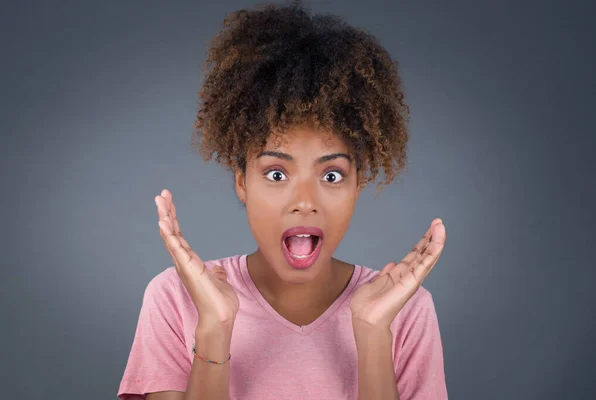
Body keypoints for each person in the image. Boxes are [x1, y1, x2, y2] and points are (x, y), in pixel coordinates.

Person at [117, 1, 447, 399]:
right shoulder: (176, 298)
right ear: (242, 182)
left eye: (331, 175)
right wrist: (215, 327)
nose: (304, 201)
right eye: (276, 174)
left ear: (358, 185)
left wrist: (375, 334)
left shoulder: (405, 308)